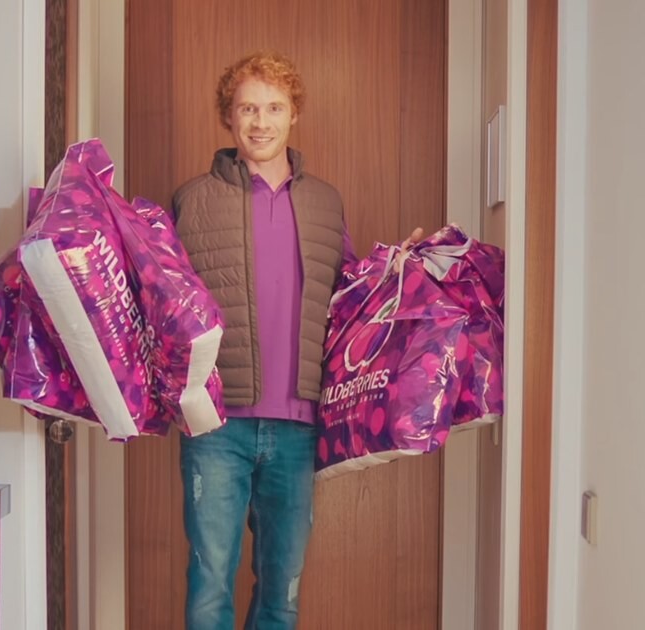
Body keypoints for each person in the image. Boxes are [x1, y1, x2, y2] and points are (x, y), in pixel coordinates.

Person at [171, 51, 422, 630]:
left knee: (281, 592)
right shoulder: (191, 198)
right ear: (229, 116)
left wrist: (400, 270)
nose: (261, 122)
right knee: (209, 587)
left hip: (298, 425)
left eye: (274, 108)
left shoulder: (325, 202)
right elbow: (164, 300)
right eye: (248, 109)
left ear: (293, 115)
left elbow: (352, 294)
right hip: (215, 425)